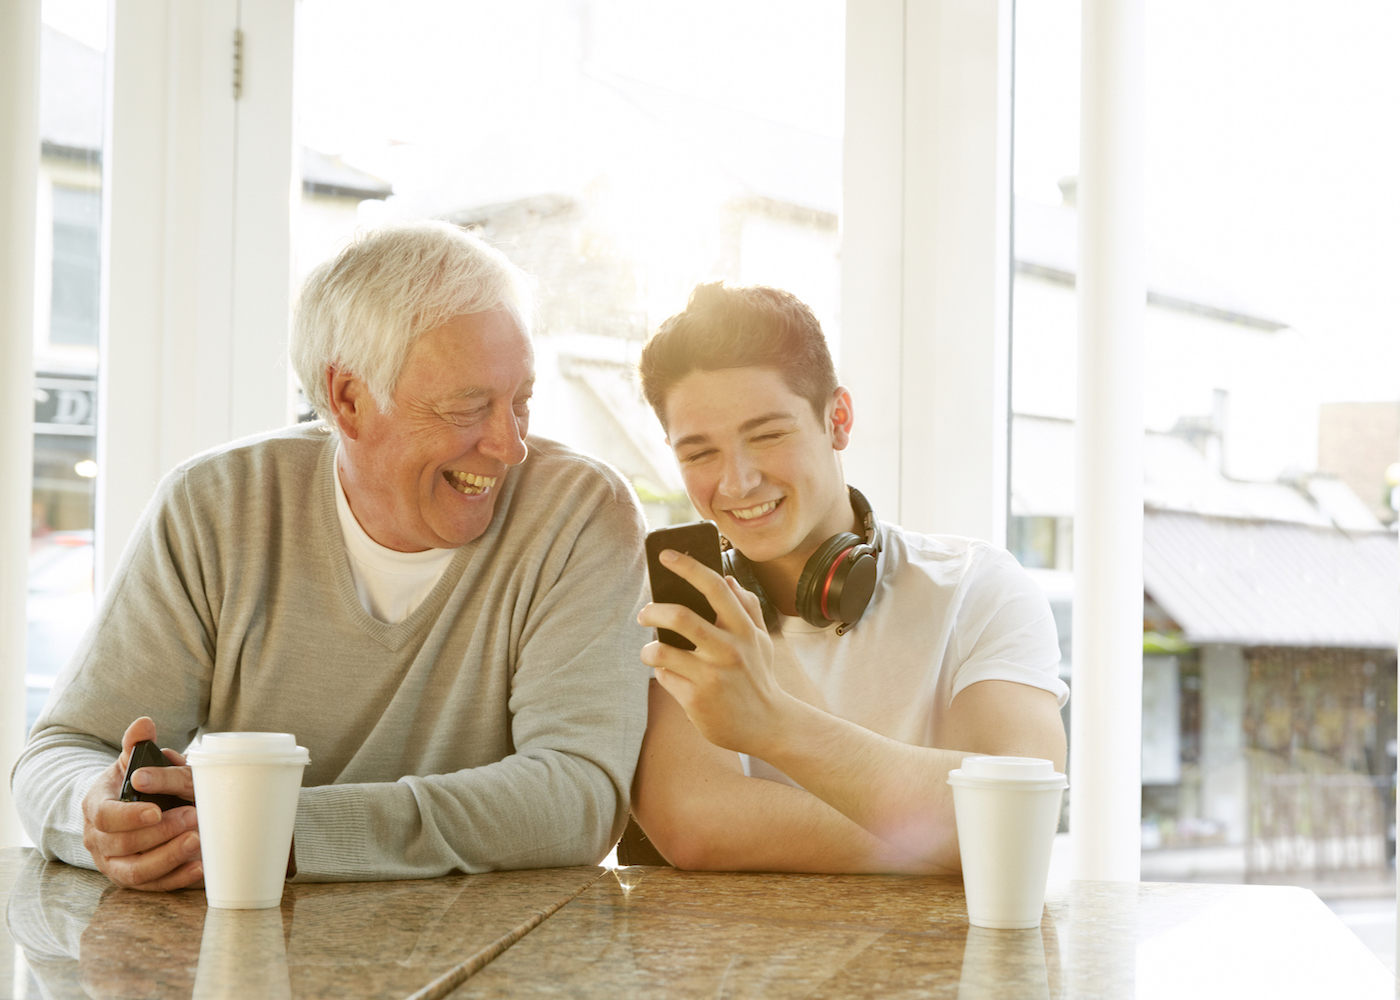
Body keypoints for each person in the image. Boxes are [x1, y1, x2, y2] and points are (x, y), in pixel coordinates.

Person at [12, 221, 651, 890]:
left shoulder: (580, 512)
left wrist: (280, 832)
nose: (510, 444)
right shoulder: (218, 506)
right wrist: (94, 814)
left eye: (520, 401)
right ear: (349, 399)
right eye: (468, 408)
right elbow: (60, 752)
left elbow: (579, 796)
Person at [625, 282, 1068, 873]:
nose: (736, 483)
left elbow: (1016, 821)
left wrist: (771, 723)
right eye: (699, 453)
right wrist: (942, 838)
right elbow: (694, 827)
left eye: (767, 435)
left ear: (838, 419)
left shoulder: (979, 590)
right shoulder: (681, 608)